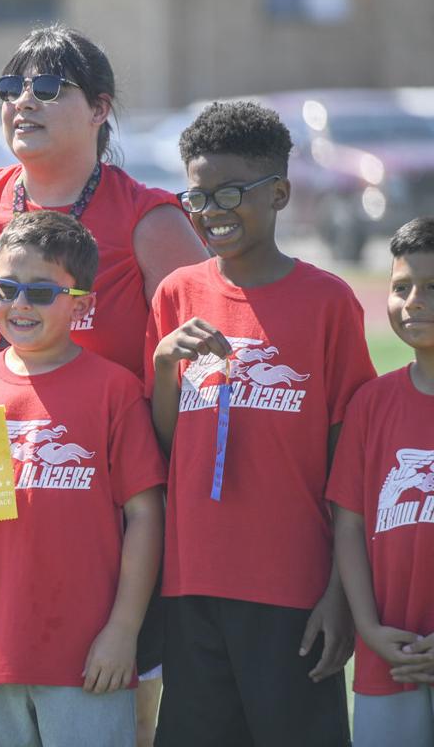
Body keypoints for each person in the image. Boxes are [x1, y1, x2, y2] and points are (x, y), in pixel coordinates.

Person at [0, 25, 206, 738]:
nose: (22, 103)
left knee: (110, 718)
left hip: (104, 520)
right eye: (10, 89)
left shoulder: (148, 219)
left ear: (101, 109)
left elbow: (219, 353)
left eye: (46, 87)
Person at [147, 101, 376, 746]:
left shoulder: (328, 302)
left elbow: (349, 465)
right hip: (191, 585)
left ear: (278, 192)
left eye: (230, 192)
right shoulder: (177, 295)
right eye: (197, 195)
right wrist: (166, 367)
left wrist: (339, 594)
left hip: (292, 589)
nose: (211, 209)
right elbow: (167, 446)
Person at [0, 212, 166, 746]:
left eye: (41, 291)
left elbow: (146, 514)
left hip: (88, 657)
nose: (20, 304)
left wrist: (122, 632)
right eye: (5, 288)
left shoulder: (114, 390)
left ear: (83, 303)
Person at [328, 217, 434, 747]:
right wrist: (367, 629)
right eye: (401, 287)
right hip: (387, 651)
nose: (413, 301)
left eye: (431, 288)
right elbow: (349, 523)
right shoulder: (372, 402)